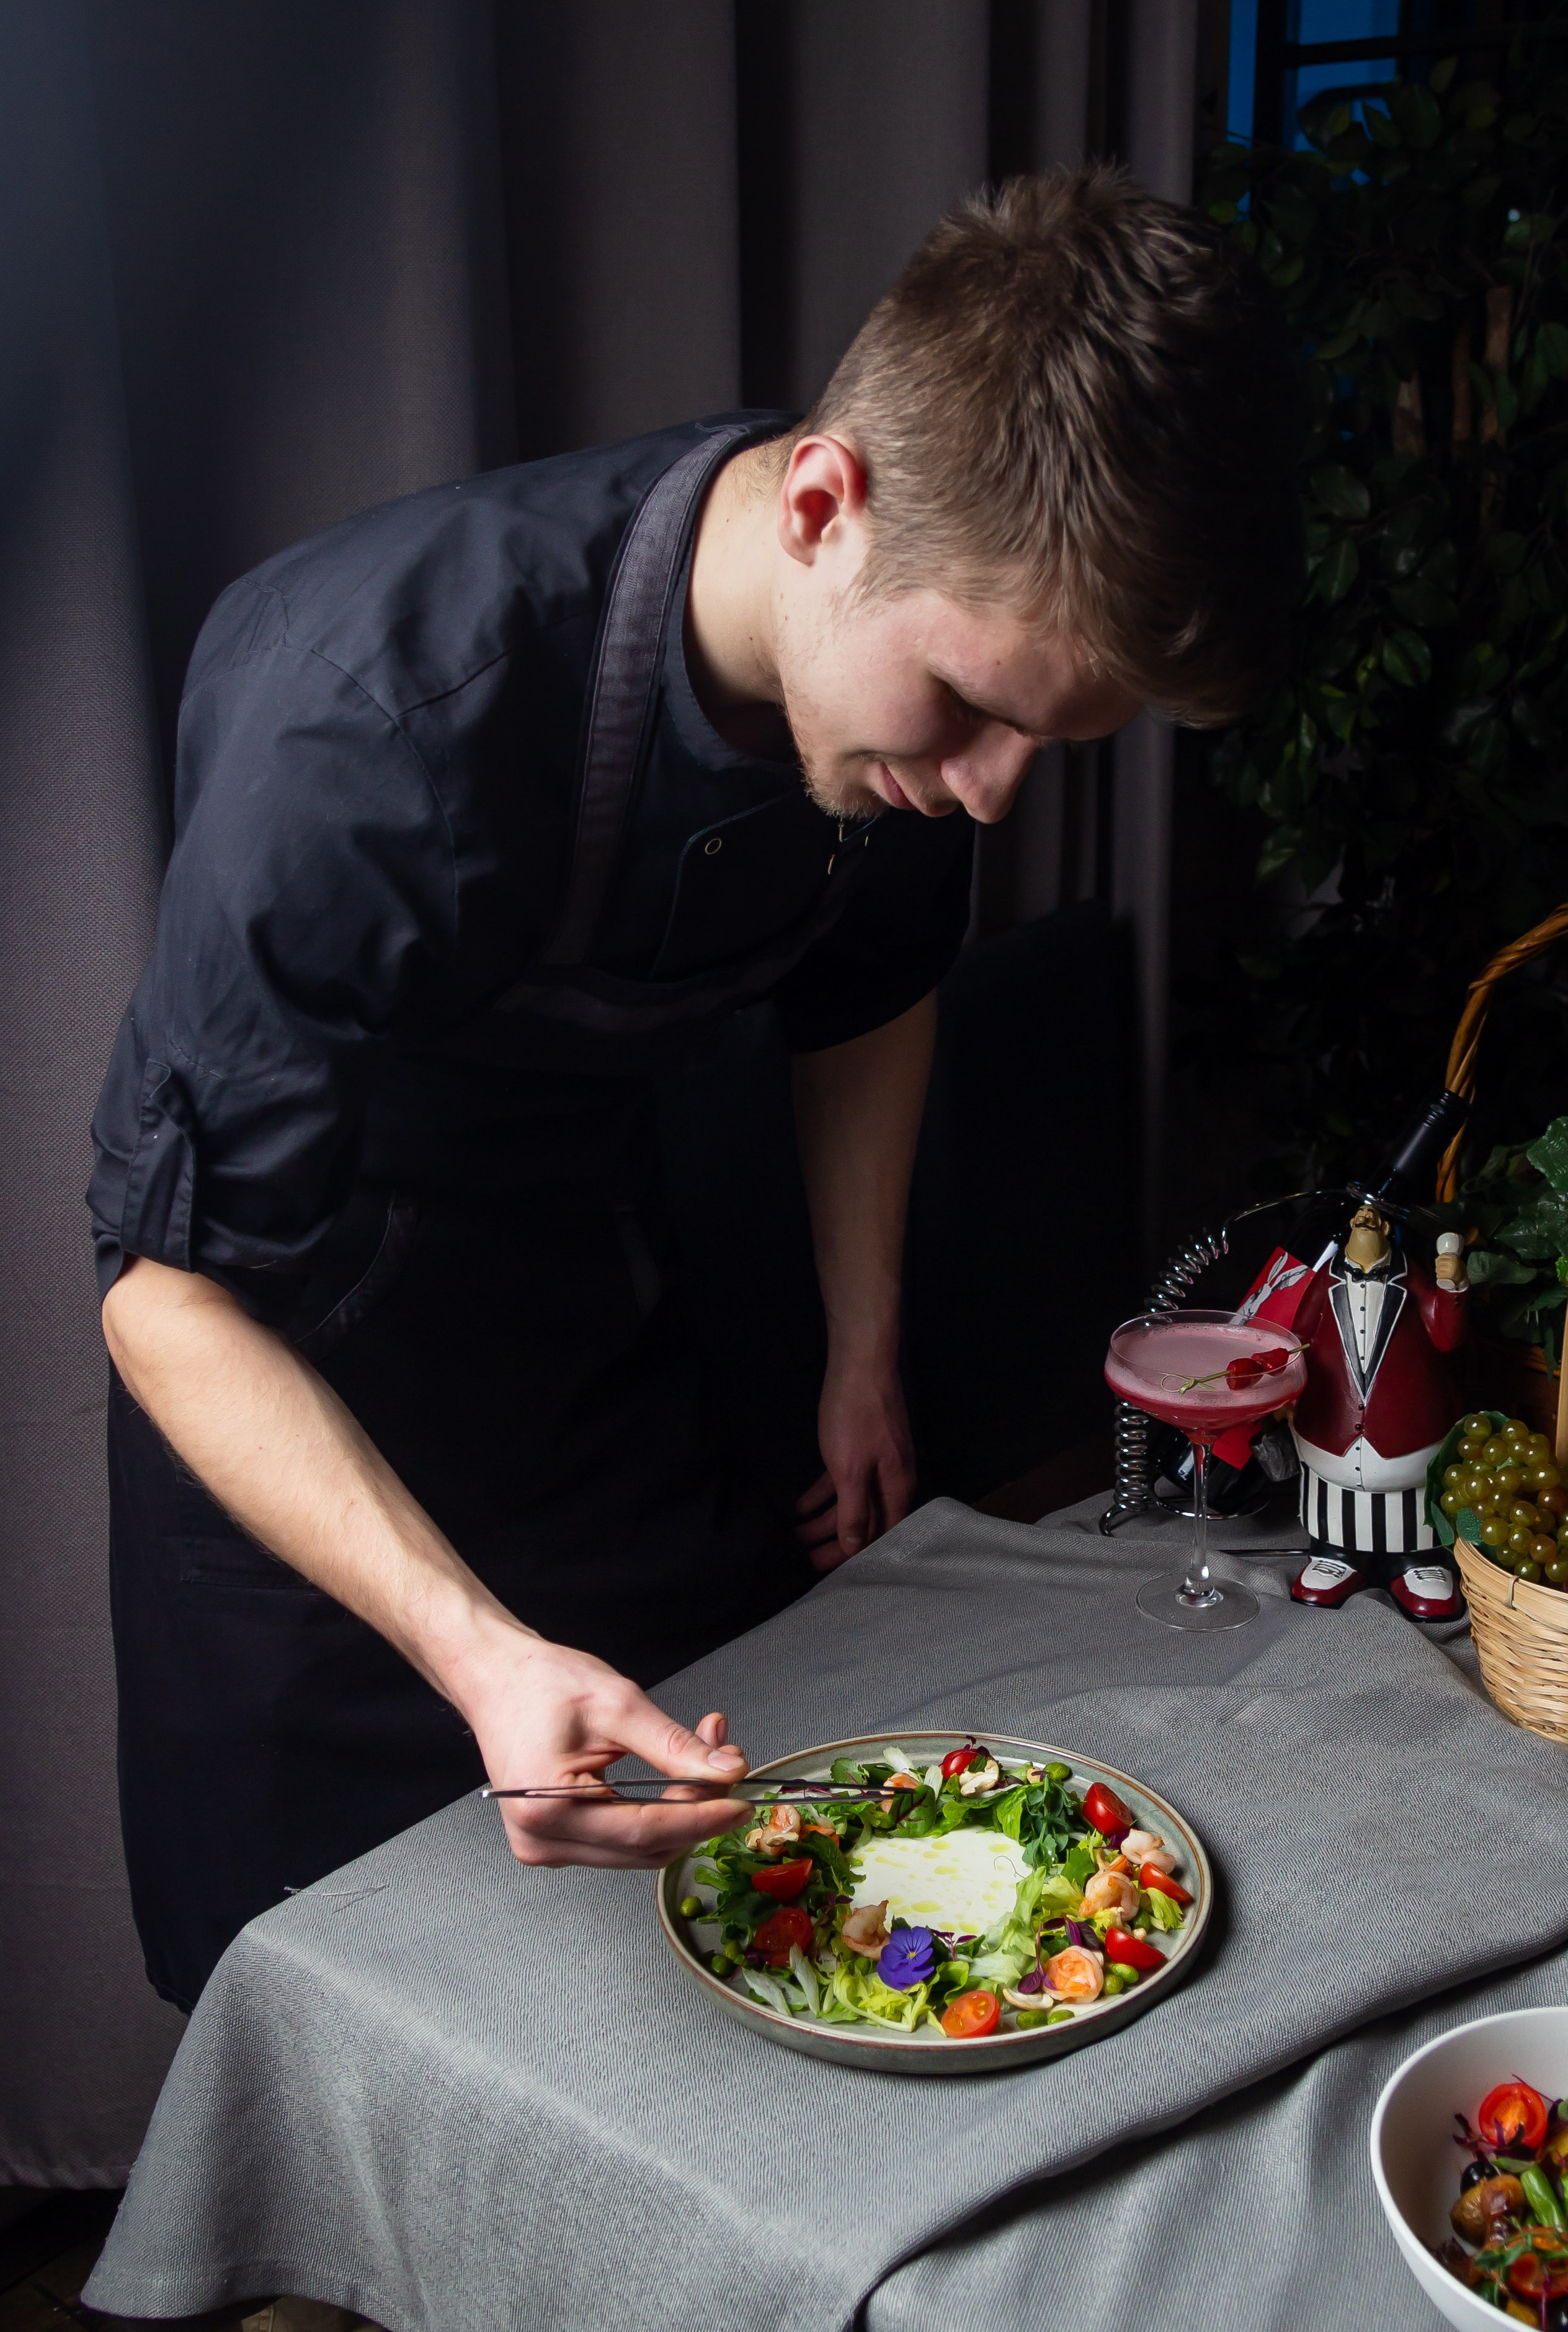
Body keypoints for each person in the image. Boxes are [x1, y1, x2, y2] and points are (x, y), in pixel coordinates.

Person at [91, 168, 1301, 2007]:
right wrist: (474, 1651)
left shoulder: (900, 704)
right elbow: (165, 1294)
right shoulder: (378, 721)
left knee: (682, 1991)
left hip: (595, 1350)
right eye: (967, 714)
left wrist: (857, 1348)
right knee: (352, 2048)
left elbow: (867, 994)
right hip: (300, 1432)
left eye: (1048, 746)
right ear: (822, 504)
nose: (988, 794)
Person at [1290, 1206, 1468, 1620]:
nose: (1364, 1220)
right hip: (1331, 1422)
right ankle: (1335, 1553)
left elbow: (1446, 1336)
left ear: (1389, 1227)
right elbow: (1298, 1336)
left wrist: (1453, 1285)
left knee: (1415, 1489)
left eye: (1373, 1216)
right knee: (1333, 1493)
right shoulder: (1325, 1278)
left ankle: (1420, 1560)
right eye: (1358, 1215)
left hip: (1406, 1426)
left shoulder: (1416, 1279)